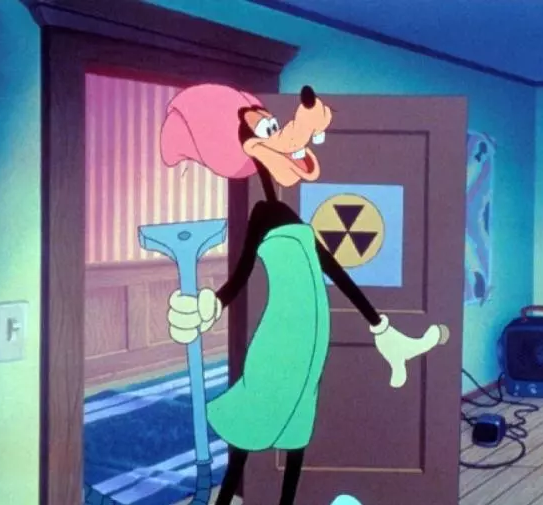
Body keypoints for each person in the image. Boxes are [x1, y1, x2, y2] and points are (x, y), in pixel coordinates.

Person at [161, 83, 450, 505]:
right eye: (267, 129)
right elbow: (241, 274)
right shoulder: (264, 213)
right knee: (253, 423)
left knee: (297, 430)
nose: (282, 135)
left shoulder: (292, 217)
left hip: (310, 344)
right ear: (248, 147)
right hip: (280, 340)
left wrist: (380, 326)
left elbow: (336, 271)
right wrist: (213, 305)